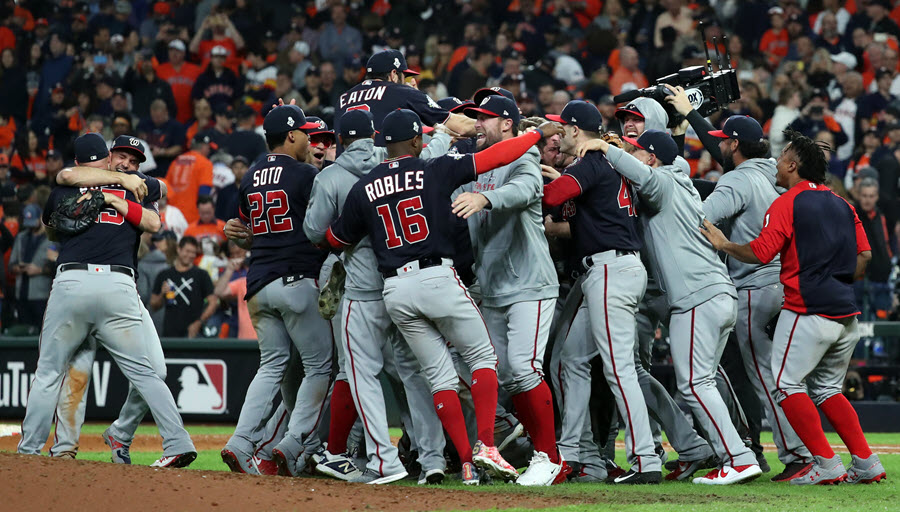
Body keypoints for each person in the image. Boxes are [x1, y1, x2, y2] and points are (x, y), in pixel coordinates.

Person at [325, 108, 563, 485]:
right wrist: (536, 135)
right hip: (436, 275)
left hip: (394, 290)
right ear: (418, 142)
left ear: (382, 145)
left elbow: (334, 238)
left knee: (439, 377)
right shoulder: (432, 167)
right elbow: (495, 156)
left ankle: (467, 464)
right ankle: (486, 445)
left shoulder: (363, 186)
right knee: (483, 357)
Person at [700, 129, 886, 485]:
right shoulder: (843, 203)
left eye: (782, 156)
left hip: (807, 310)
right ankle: (866, 461)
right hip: (846, 315)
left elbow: (760, 253)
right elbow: (865, 257)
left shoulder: (787, 202)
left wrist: (724, 243)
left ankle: (825, 463)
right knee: (829, 389)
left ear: (792, 164)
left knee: (786, 385)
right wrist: (835, 276)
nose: (776, 163)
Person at [580, 129, 763, 485]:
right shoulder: (682, 181)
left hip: (697, 297)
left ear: (651, 157)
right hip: (718, 293)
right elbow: (656, 169)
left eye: (636, 150)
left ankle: (739, 458)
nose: (630, 153)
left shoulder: (663, 180)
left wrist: (605, 147)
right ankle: (722, 453)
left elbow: (647, 176)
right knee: (701, 382)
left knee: (695, 384)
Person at [17, 132, 197, 468]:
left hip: (77, 283)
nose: (129, 163)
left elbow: (154, 216)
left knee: (50, 372)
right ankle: (171, 440)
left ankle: (29, 453)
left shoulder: (73, 188)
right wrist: (121, 186)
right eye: (123, 156)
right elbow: (71, 176)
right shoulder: (119, 182)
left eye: (135, 160)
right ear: (108, 155)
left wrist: (115, 196)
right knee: (135, 372)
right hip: (116, 286)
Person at [666, 86, 816, 482]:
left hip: (753, 287)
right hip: (783, 283)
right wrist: (692, 119)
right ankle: (804, 451)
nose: (720, 149)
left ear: (735, 145)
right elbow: (730, 156)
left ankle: (797, 454)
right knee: (784, 375)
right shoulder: (770, 170)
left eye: (724, 142)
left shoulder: (735, 183)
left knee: (765, 378)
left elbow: (695, 221)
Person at [303, 109, 452, 484]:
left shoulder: (332, 176)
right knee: (415, 373)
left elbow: (316, 232)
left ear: (340, 139)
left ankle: (383, 459)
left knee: (360, 374)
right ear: (374, 135)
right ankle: (431, 457)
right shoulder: (396, 162)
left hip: (360, 286)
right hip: (401, 278)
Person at [541, 100, 659, 484]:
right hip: (607, 269)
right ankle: (573, 454)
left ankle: (646, 459)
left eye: (563, 128)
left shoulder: (592, 161)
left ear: (577, 131)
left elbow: (554, 197)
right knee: (571, 357)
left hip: (612, 269)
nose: (558, 134)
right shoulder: (603, 161)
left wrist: (538, 178)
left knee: (619, 368)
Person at [451, 95, 566, 486]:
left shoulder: (523, 158)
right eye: (475, 118)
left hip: (530, 282)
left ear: (506, 123)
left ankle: (549, 457)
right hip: (494, 285)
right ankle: (530, 448)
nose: (477, 124)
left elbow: (526, 192)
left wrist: (485, 197)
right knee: (497, 373)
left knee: (524, 367)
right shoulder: (475, 166)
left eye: (484, 118)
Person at [220, 104, 333, 478]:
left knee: (271, 366)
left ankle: (239, 441)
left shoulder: (251, 174)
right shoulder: (305, 173)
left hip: (257, 285)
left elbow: (249, 227)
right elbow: (321, 226)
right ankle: (292, 442)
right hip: (297, 280)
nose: (308, 139)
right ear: (290, 136)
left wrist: (246, 235)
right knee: (320, 366)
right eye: (303, 133)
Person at [334, 49, 474, 153]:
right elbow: (459, 125)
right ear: (394, 75)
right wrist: (490, 123)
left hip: (342, 173)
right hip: (380, 174)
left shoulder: (343, 98)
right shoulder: (400, 91)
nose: (408, 81)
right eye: (405, 76)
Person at [150, 236, 217, 337]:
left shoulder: (202, 275)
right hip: (170, 334)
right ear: (179, 249)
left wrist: (198, 323)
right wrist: (161, 294)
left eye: (193, 252)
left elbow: (213, 303)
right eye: (187, 251)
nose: (190, 255)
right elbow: (153, 305)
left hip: (194, 335)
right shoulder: (164, 275)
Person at [9, 203, 51, 332]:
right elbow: (11, 265)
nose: (31, 227)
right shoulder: (21, 237)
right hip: (22, 293)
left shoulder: (51, 239)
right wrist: (17, 268)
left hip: (41, 294)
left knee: (43, 332)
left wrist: (39, 270)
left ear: (40, 218)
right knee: (24, 330)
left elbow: (57, 266)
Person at [166, 133, 214, 224]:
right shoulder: (205, 163)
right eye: (209, 147)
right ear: (203, 146)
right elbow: (204, 193)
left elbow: (166, 188)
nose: (209, 150)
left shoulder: (176, 161)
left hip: (172, 215)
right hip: (192, 216)